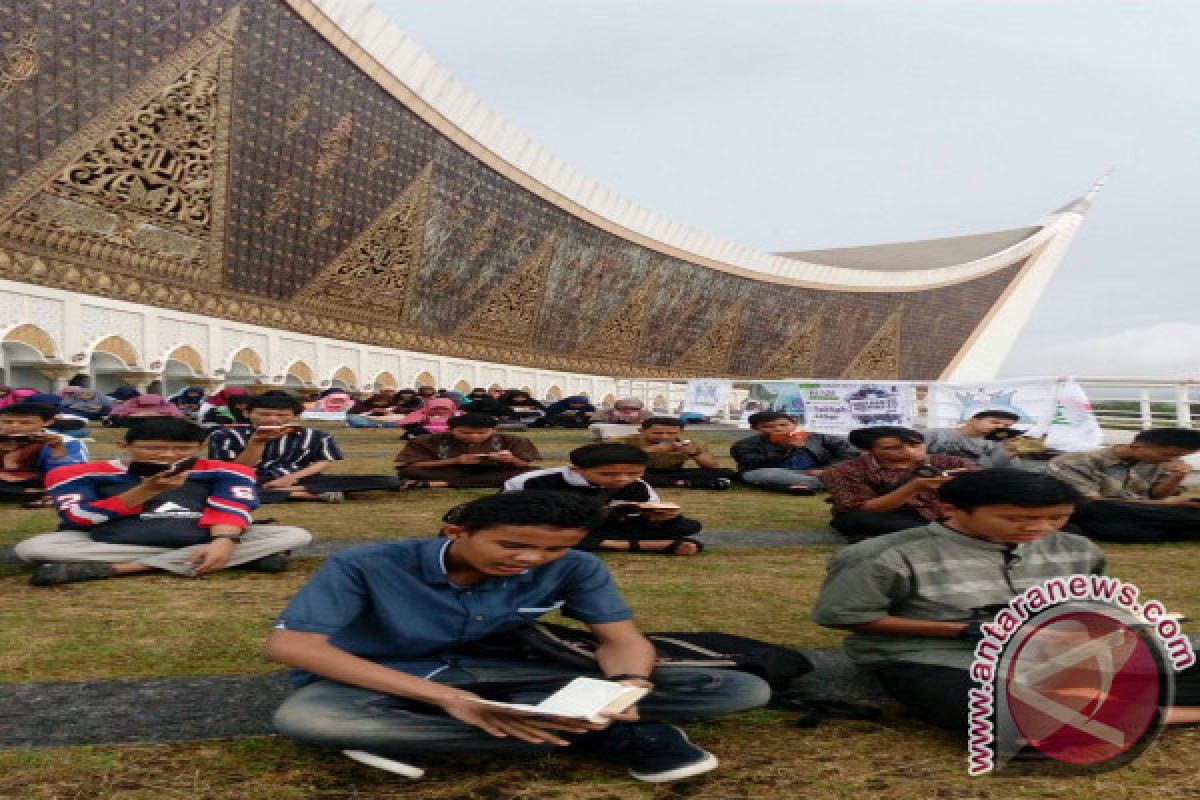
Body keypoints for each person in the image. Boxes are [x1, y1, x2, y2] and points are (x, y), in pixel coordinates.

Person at [267, 491, 769, 781]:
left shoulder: (576, 566)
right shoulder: (366, 565)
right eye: (512, 545)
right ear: (456, 533)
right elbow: (293, 647)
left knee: (741, 688)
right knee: (309, 716)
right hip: (388, 678)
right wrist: (452, 698)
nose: (529, 560)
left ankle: (527, 727)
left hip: (509, 669)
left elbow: (620, 637)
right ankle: (585, 737)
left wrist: (629, 685)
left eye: (551, 551)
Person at [811, 469, 1200, 730]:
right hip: (934, 654)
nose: (1040, 528)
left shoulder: (1076, 548)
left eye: (1057, 518)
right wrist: (975, 630)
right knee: (1001, 716)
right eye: (1017, 519)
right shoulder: (887, 555)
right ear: (952, 509)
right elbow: (844, 615)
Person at [14, 417, 312, 586]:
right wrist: (143, 492)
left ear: (199, 447)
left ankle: (126, 568)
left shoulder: (225, 470)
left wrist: (223, 542)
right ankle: (240, 559)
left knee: (296, 534)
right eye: (154, 448)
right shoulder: (77, 473)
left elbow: (232, 508)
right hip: (115, 539)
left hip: (202, 537)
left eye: (180, 449)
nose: (168, 456)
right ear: (125, 447)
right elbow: (80, 517)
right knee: (33, 548)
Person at [504, 444, 704, 555]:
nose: (622, 479)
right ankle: (633, 545)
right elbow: (507, 517)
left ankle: (602, 542)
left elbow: (643, 512)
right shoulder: (532, 482)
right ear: (577, 470)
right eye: (608, 474)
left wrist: (660, 517)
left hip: (604, 527)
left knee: (686, 526)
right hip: (547, 528)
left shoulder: (638, 485)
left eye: (633, 473)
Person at [207, 394, 399, 503]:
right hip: (251, 478)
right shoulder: (225, 435)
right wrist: (257, 443)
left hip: (301, 477)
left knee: (388, 480)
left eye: (281, 415)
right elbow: (234, 470)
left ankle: (298, 489)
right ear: (248, 413)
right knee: (222, 489)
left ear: (295, 416)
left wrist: (291, 479)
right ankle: (307, 494)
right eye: (264, 414)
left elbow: (324, 461)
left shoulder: (315, 435)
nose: (273, 420)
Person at [1046, 428, 1200, 543]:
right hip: (1099, 511)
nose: (1172, 460)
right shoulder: (1075, 462)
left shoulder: (1155, 462)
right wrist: (1173, 505)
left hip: (1143, 510)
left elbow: (1157, 495)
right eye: (1168, 455)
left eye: (1179, 456)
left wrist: (1177, 476)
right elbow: (1090, 502)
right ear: (1136, 446)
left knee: (1189, 508)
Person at [820, 426, 976, 539]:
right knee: (856, 519)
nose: (908, 451)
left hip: (941, 512)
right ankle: (939, 533)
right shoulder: (844, 471)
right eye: (893, 448)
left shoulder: (951, 462)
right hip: (887, 514)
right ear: (869, 450)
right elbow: (862, 507)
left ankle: (938, 531)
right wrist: (914, 487)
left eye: (915, 446)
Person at [395, 413, 541, 488]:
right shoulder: (426, 440)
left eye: (482, 433)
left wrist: (511, 460)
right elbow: (412, 465)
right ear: (452, 430)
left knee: (534, 472)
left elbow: (524, 465)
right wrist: (455, 460)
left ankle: (444, 484)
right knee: (407, 472)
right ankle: (454, 481)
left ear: (493, 430)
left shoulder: (512, 441)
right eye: (465, 433)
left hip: (492, 472)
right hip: (450, 470)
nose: (474, 437)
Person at [730, 412, 856, 495]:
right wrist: (784, 449)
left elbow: (850, 453)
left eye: (784, 425)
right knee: (760, 475)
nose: (778, 429)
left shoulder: (817, 438)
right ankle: (825, 484)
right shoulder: (744, 445)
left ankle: (809, 484)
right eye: (768, 427)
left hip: (817, 471)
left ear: (794, 424)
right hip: (775, 472)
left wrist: (826, 470)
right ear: (756, 428)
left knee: (856, 470)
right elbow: (751, 463)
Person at [0, 403, 88, 504]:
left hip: (40, 481)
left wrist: (57, 448)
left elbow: (68, 476)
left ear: (48, 422)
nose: (14, 426)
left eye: (25, 423)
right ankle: (36, 495)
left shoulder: (68, 442)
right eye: (7, 422)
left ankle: (37, 494)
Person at [618, 418, 737, 490]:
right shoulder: (623, 441)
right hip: (639, 472)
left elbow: (713, 467)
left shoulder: (692, 443)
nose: (664, 436)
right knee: (635, 477)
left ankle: (672, 481)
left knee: (726, 472)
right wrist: (651, 450)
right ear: (642, 431)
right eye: (657, 433)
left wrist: (694, 453)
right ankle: (687, 484)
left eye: (671, 433)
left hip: (673, 472)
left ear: (680, 432)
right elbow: (609, 460)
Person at [922, 410, 1024, 468]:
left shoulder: (998, 444)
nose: (1000, 427)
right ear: (972, 421)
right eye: (995, 422)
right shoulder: (934, 434)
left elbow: (999, 468)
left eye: (1006, 426)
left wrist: (1009, 454)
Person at [396, 397, 462, 439]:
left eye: (444, 409)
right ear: (429, 408)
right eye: (435, 409)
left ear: (451, 408)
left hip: (449, 431)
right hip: (427, 430)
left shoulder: (456, 414)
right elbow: (408, 423)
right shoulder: (423, 413)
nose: (440, 411)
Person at [106, 393, 185, 426]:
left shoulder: (168, 406)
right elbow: (115, 414)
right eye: (145, 405)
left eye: (152, 405)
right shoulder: (129, 404)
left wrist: (155, 414)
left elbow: (178, 416)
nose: (149, 407)